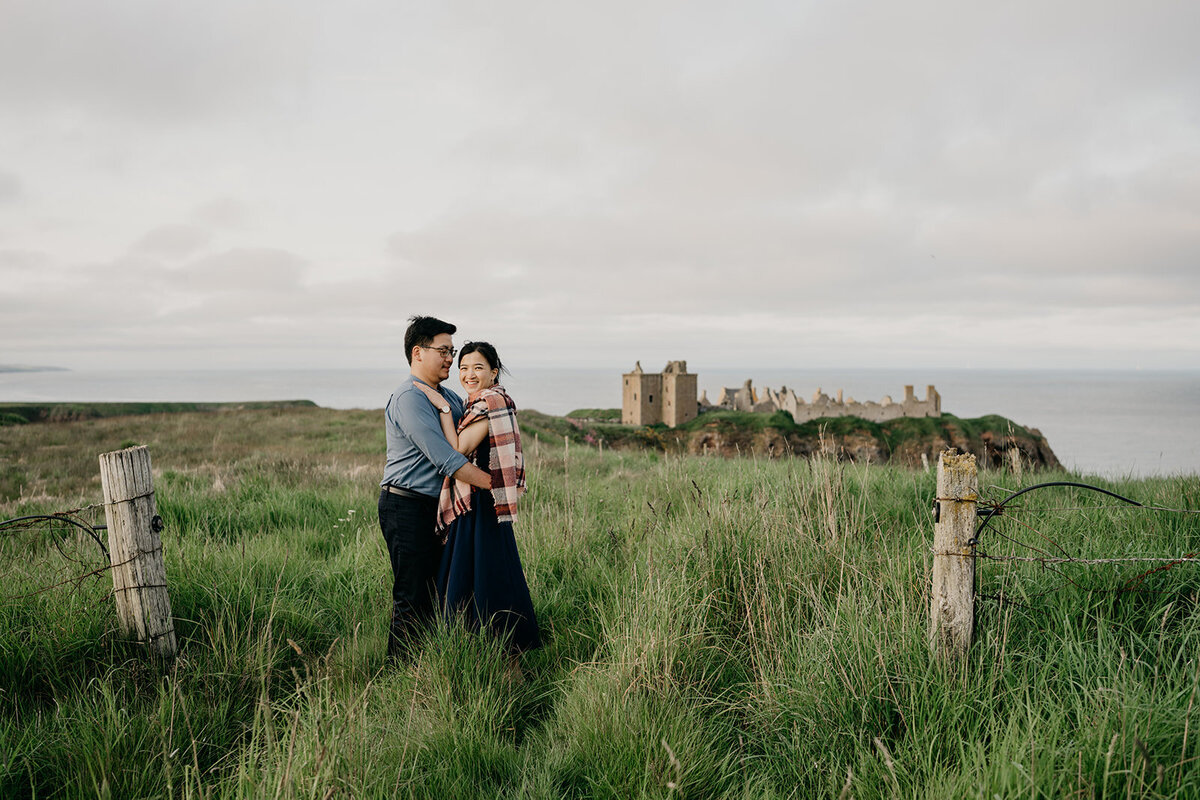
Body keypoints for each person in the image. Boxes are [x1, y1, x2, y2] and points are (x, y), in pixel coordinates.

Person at [413, 341, 542, 657]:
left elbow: (457, 448)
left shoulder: (490, 402)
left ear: (494, 372)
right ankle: (479, 646)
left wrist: (443, 407)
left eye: (478, 368)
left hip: (480, 504)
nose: (469, 374)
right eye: (464, 367)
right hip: (480, 499)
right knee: (483, 571)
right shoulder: (483, 402)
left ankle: (496, 646)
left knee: (482, 574)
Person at [379, 316, 492, 662]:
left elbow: (467, 438)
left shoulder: (450, 398)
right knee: (412, 597)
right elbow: (447, 459)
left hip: (441, 507)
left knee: (440, 591)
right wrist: (495, 486)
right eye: (443, 351)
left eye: (451, 351)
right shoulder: (409, 399)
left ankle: (432, 667)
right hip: (407, 506)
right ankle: (399, 678)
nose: (449, 359)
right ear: (418, 352)